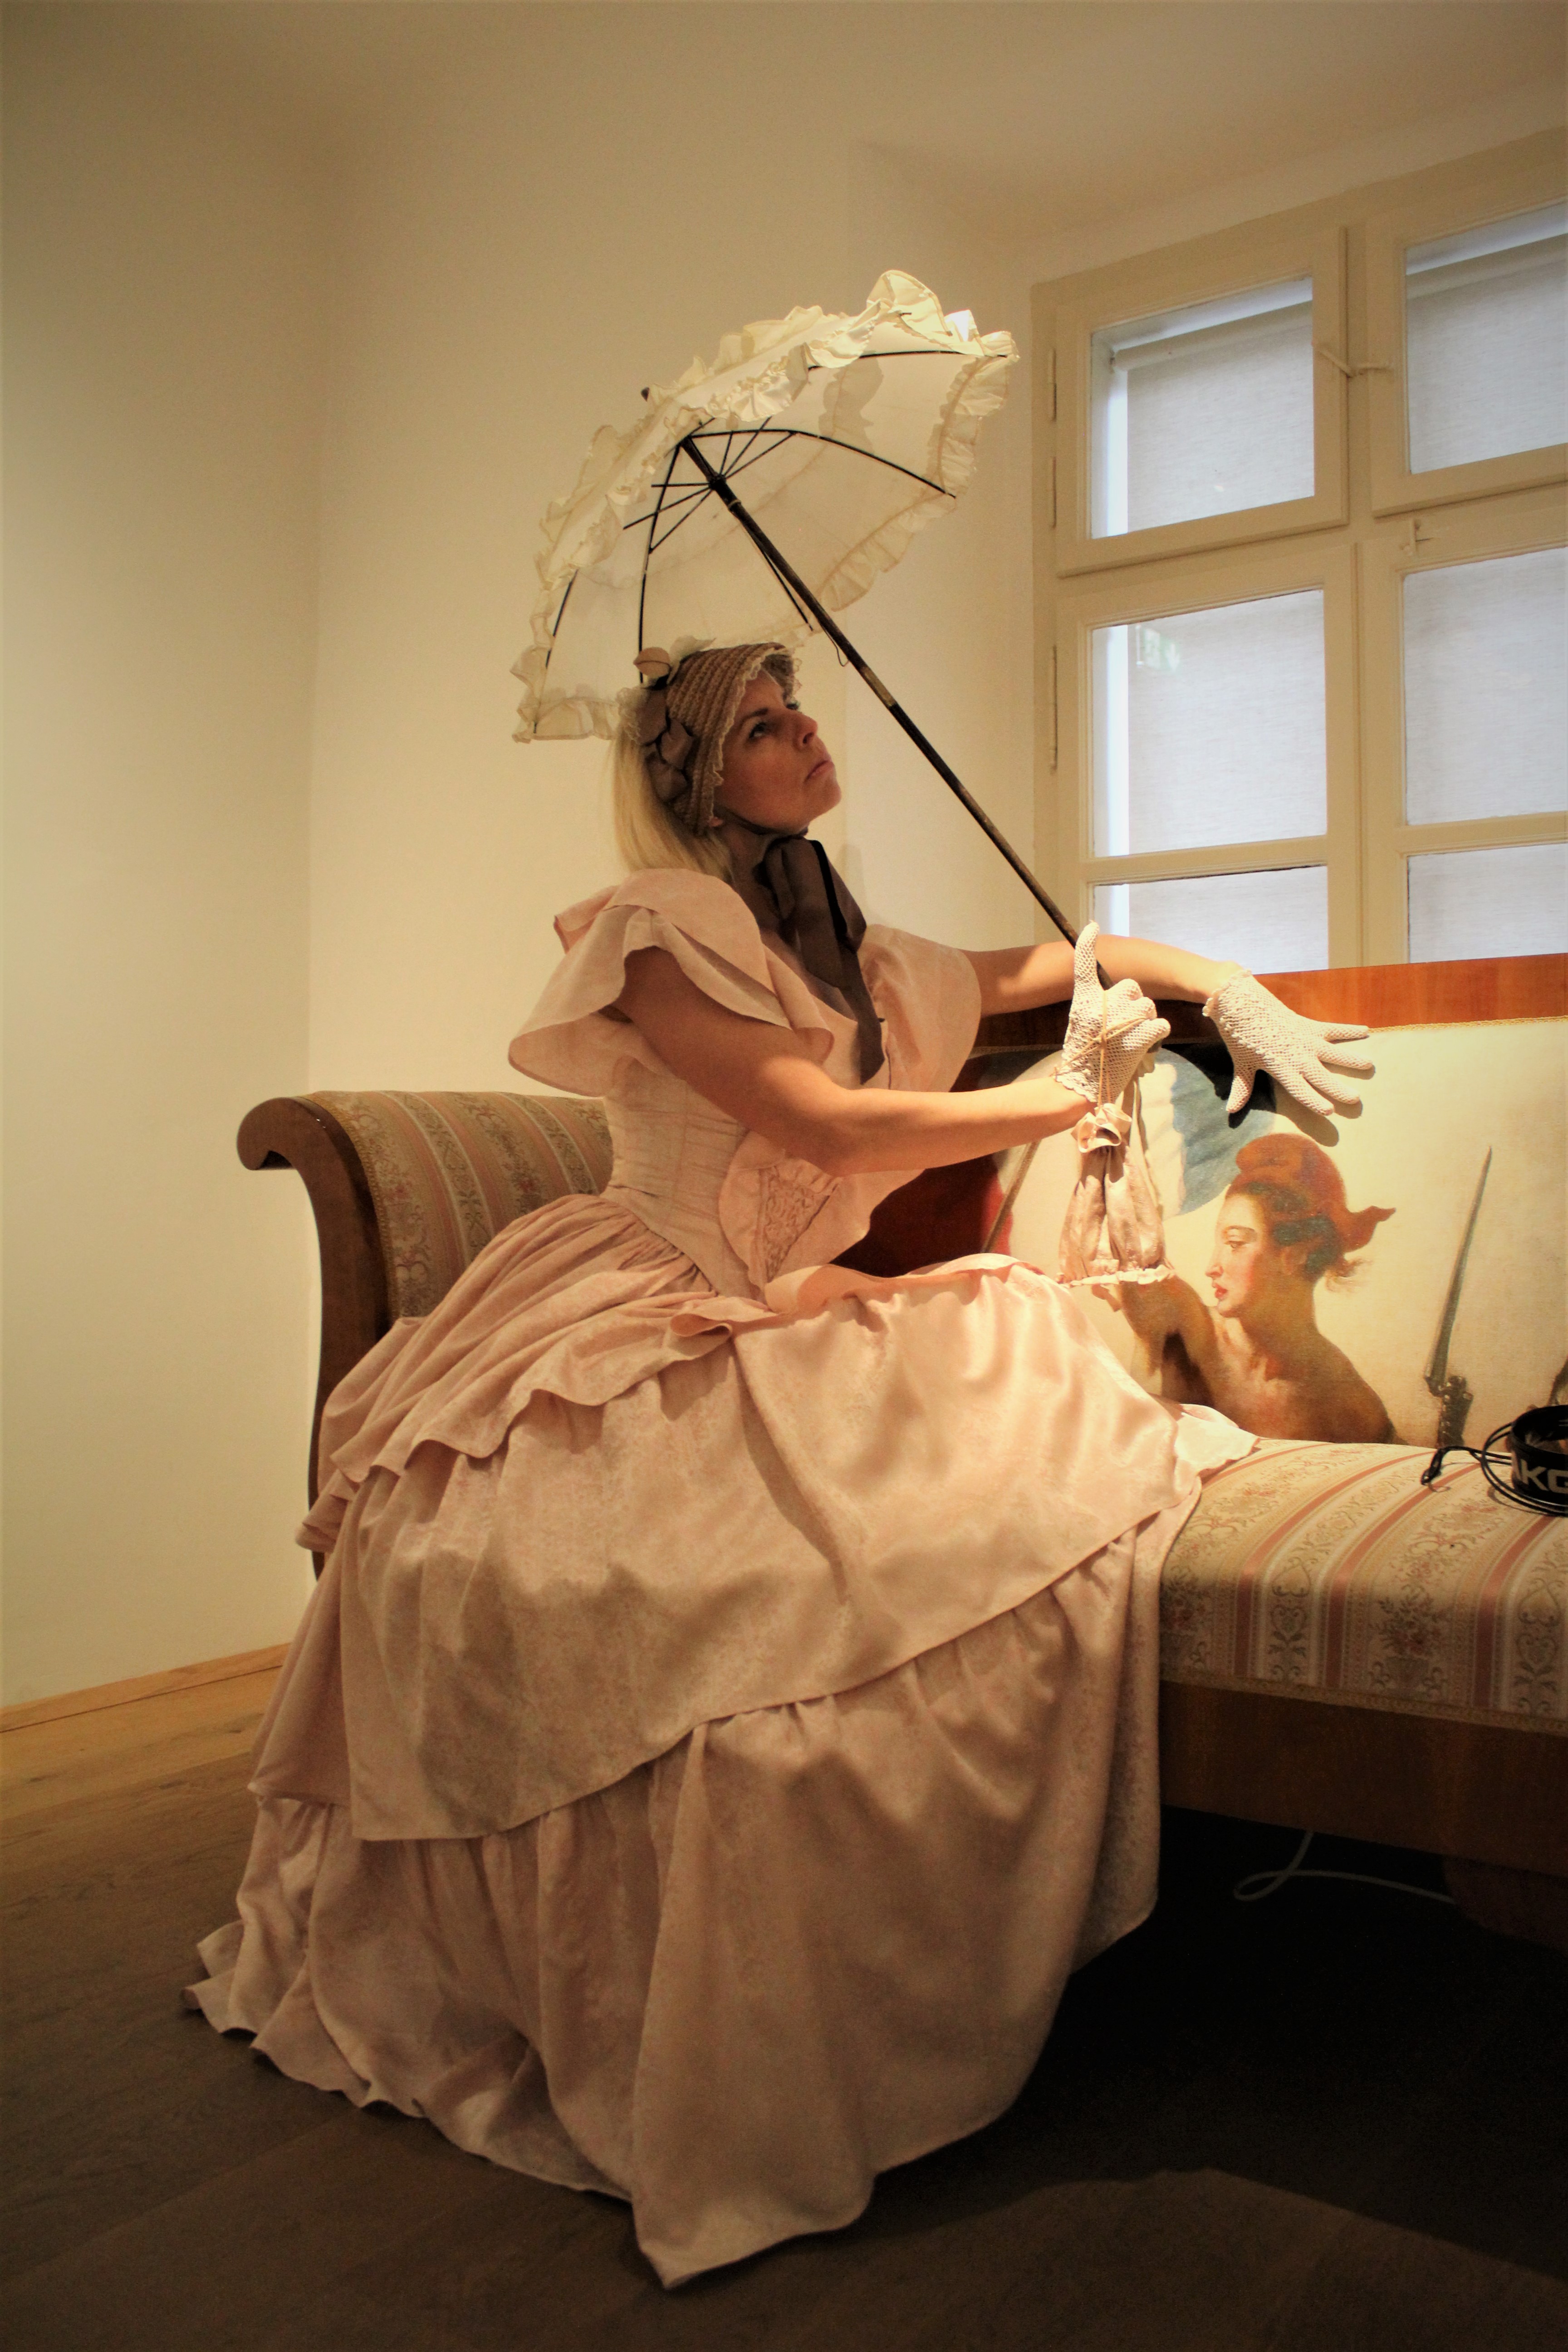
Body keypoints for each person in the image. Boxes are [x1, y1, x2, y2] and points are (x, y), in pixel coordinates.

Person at [188, 642, 1376, 2286]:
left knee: (1017, 1391)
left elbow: (1060, 953)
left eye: (797, 704)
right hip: (640, 1294)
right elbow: (821, 1124)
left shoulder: (860, 949)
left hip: (784, 1304)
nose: (803, 729)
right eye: (759, 722)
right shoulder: (659, 924)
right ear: (694, 781)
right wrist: (1056, 1103)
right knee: (663, 1584)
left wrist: (1225, 988)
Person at [1116, 1133, 1396, 1441]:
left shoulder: (1347, 1399)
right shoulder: (1185, 1326)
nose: (1212, 1267)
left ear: (1296, 1254)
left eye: (1235, 1243)